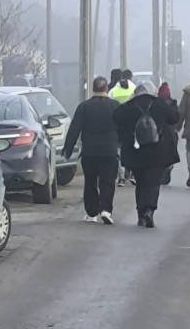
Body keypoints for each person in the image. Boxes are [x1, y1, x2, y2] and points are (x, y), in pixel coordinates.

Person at [114, 83, 181, 228]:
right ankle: (150, 210)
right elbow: (174, 118)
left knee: (141, 182)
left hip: (136, 151)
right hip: (158, 151)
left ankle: (141, 212)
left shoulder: (129, 106)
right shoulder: (160, 104)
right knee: (154, 182)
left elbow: (116, 117)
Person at [62, 76, 122, 224]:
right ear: (106, 88)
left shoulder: (84, 107)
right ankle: (106, 210)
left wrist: (68, 149)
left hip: (89, 152)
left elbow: (74, 129)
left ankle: (92, 212)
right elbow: (123, 128)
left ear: (93, 89)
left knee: (90, 182)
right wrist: (123, 145)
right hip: (109, 151)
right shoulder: (116, 106)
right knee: (107, 181)